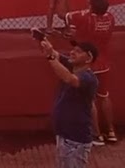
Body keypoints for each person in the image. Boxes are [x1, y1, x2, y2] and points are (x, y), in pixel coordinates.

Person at [65, 0, 116, 145]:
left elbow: (64, 15)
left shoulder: (85, 18)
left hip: (89, 63)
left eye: (90, 3)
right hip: (104, 63)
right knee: (105, 96)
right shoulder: (110, 18)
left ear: (92, 8)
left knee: (90, 100)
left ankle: (97, 135)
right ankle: (111, 132)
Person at [39, 37, 99, 167]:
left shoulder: (88, 78)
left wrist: (50, 57)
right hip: (65, 135)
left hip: (75, 139)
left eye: (78, 51)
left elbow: (69, 79)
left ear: (88, 58)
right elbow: (55, 54)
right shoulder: (73, 66)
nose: (72, 52)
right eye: (73, 49)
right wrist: (43, 41)